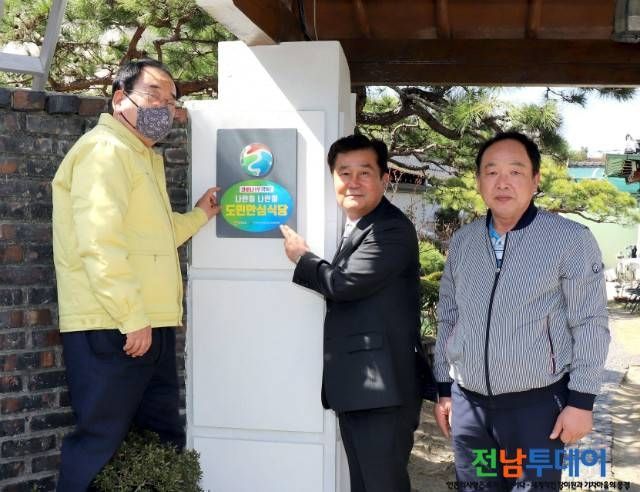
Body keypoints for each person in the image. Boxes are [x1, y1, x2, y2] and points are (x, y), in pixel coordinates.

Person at [52, 59, 220, 491]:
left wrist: (200, 215)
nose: (163, 106)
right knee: (99, 443)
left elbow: (155, 238)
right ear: (119, 99)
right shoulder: (104, 152)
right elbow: (99, 242)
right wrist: (131, 316)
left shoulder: (139, 155)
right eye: (153, 94)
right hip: (114, 324)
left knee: (159, 439)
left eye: (170, 100)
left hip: (147, 323)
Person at [433, 131, 610, 491]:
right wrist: (444, 388)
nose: (502, 182)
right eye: (491, 172)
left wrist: (582, 401)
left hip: (537, 410)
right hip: (470, 408)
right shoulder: (464, 241)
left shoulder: (570, 239)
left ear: (535, 180)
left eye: (515, 171)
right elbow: (448, 316)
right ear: (479, 181)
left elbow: (590, 321)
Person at [280, 134, 427, 492]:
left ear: (384, 178)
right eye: (344, 173)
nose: (353, 182)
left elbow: (344, 284)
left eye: (364, 172)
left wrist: (303, 257)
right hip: (362, 390)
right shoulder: (359, 226)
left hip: (383, 392)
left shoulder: (390, 228)